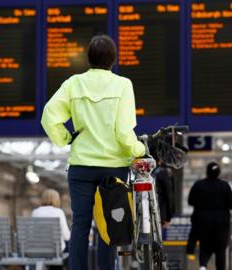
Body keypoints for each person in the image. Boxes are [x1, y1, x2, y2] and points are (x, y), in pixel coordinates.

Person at [41, 34, 145, 270]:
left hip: (81, 167)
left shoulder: (73, 83)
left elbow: (49, 115)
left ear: (88, 59)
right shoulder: (123, 85)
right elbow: (123, 132)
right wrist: (139, 149)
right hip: (113, 167)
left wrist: (65, 138)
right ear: (114, 60)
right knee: (108, 221)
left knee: (81, 224)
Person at [187, 162, 232, 270]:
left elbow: (190, 201)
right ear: (219, 172)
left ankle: (203, 266)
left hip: (203, 221)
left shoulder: (198, 185)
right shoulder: (225, 185)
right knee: (220, 250)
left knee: (205, 247)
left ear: (207, 172)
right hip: (221, 223)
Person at [152, 161, 175, 227]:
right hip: (160, 213)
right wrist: (168, 217)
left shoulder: (152, 172)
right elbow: (168, 195)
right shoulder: (165, 172)